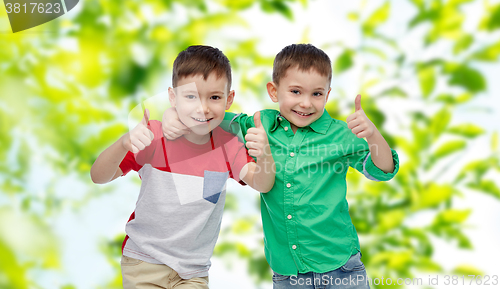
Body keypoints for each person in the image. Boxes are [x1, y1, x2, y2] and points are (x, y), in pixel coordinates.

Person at [161, 44, 399, 289]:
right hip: (288, 273)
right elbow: (210, 118)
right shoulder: (259, 123)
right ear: (274, 92)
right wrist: (172, 114)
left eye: (317, 94)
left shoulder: (340, 134)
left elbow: (382, 171)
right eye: (296, 91)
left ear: (327, 95)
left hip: (341, 266)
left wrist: (372, 135)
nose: (306, 103)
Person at [90, 45, 275, 289]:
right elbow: (98, 176)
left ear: (229, 99)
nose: (203, 108)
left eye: (215, 97)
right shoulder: (153, 135)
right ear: (172, 97)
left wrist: (265, 154)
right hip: (144, 261)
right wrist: (124, 142)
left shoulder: (229, 146)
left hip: (193, 272)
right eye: (191, 96)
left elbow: (263, 184)